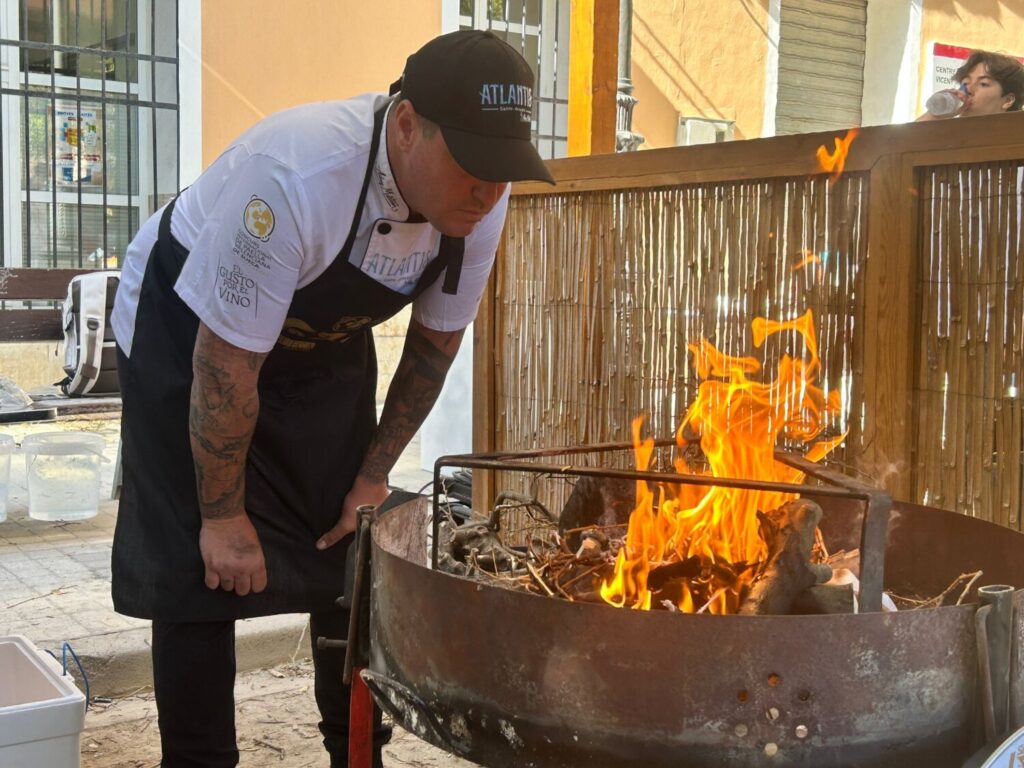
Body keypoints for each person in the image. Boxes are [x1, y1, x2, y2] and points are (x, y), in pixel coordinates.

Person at [109, 29, 554, 768]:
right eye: (474, 163)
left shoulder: (481, 202)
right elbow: (224, 366)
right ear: (406, 125)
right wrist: (223, 516)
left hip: (316, 339)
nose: (488, 190)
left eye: (505, 169)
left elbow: (433, 348)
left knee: (351, 540)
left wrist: (372, 479)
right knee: (200, 565)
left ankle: (354, 751)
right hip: (189, 337)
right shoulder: (295, 175)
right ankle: (198, 758)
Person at [917, 49, 1024, 121]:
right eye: (965, 83)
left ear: (1008, 100)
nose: (967, 89)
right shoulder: (949, 137)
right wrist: (933, 115)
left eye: (983, 84)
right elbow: (904, 145)